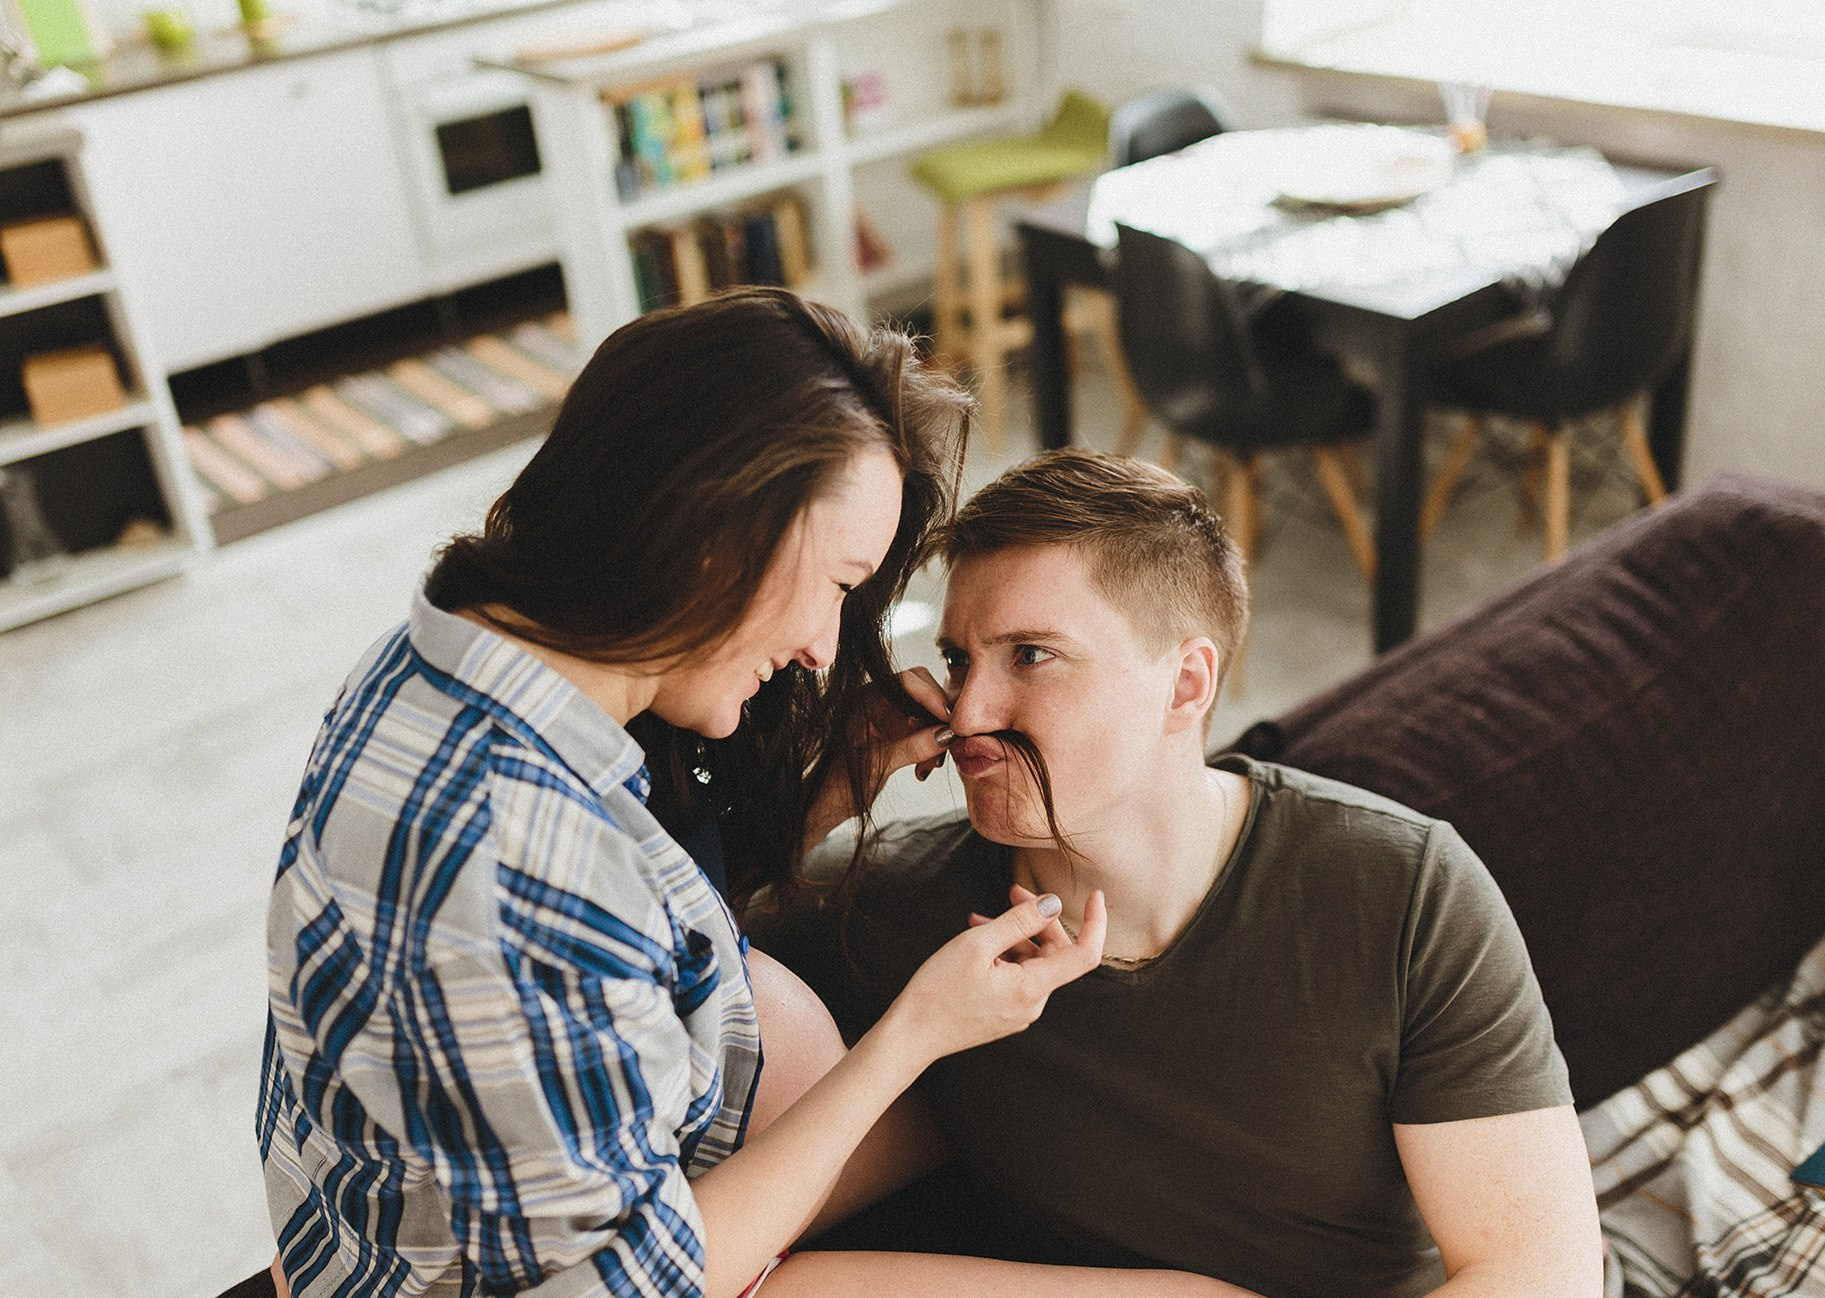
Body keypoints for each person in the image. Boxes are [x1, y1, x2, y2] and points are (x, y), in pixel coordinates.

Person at [256, 292, 1255, 1298]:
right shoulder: (515, 859)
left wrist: (825, 793)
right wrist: (913, 1031)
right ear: (713, 534)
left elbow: (630, 928)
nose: (825, 646)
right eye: (837, 582)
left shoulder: (447, 660)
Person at [753, 449, 1606, 1298]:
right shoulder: (897, 903)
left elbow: (1540, 1273)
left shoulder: (1402, 892)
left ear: (1185, 683)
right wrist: (830, 794)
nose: (970, 713)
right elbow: (662, 947)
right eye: (959, 660)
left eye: (1031, 656)